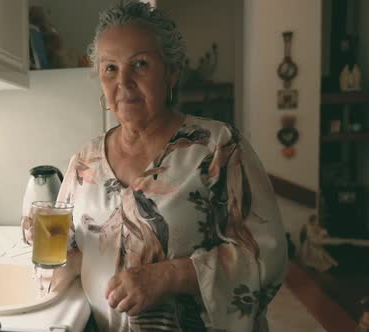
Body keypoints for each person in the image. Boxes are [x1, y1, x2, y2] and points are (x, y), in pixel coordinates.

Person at [23, 2, 287, 331]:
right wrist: (47, 241)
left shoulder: (217, 147)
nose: (124, 81)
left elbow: (266, 256)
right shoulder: (85, 161)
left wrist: (171, 275)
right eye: (110, 68)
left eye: (141, 64)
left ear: (172, 71)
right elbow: (73, 261)